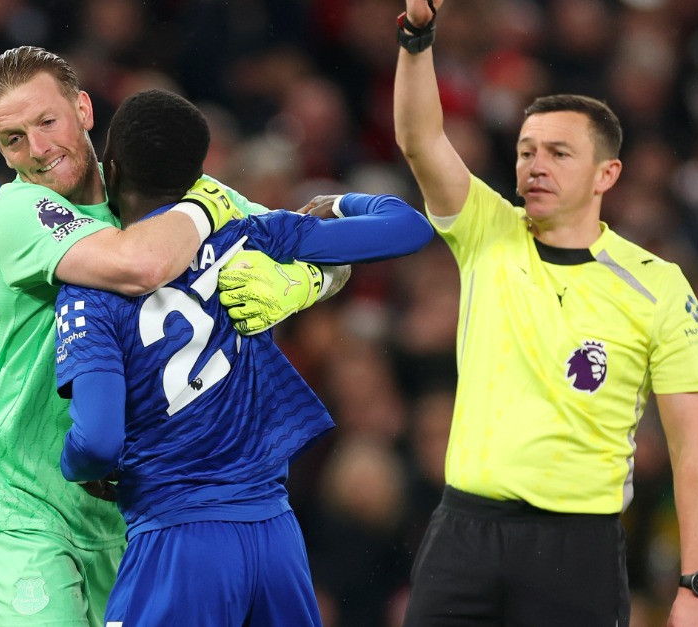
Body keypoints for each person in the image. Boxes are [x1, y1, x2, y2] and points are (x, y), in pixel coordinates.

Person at [0, 46, 341, 626]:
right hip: (17, 498)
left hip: (119, 506)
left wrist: (307, 282)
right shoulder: (17, 209)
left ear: (83, 109)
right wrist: (208, 207)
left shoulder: (152, 185)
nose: (36, 150)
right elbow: (139, 265)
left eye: (46, 121)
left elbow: (320, 235)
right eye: (12, 139)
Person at [393, 0, 698, 626]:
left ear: (608, 173)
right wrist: (417, 35)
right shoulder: (487, 229)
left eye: (557, 152)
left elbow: (692, 445)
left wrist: (696, 584)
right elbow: (420, 138)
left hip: (579, 548)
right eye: (525, 150)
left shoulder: (657, 285)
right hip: (465, 532)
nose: (533, 164)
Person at [53, 88, 434, 626]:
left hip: (177, 538)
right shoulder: (249, 234)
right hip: (275, 536)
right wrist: (341, 201)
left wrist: (74, 463)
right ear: (198, 179)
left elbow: (96, 441)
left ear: (110, 169)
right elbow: (409, 228)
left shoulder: (91, 285)